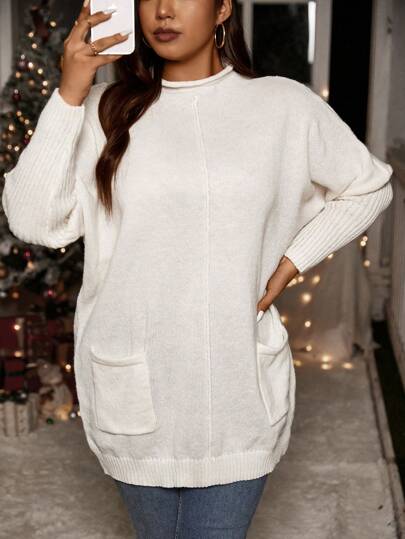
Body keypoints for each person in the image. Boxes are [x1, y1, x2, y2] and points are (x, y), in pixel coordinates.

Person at [2, 0, 393, 537]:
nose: (164, 10)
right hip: (132, 384)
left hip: (237, 388)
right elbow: (30, 219)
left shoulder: (283, 105)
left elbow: (369, 186)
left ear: (223, 8)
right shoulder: (102, 109)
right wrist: (69, 92)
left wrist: (293, 260)